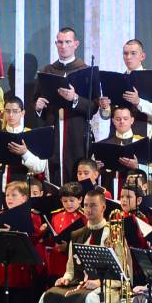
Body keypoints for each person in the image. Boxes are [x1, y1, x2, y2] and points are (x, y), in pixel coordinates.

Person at [32, 188, 132, 303]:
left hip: (107, 286)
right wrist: (64, 279)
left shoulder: (113, 234)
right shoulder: (77, 234)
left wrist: (100, 282)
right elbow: (70, 270)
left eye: (93, 205)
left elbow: (122, 272)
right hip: (80, 283)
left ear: (103, 207)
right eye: (86, 205)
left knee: (90, 300)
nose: (88, 209)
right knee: (48, 297)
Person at [92, 39, 152, 192]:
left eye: (133, 53)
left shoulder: (151, 79)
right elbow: (106, 116)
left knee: (143, 180)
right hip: (118, 135)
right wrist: (105, 107)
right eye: (125, 53)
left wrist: (139, 102)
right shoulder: (116, 80)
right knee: (117, 179)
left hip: (143, 133)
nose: (128, 57)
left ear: (142, 56)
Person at [33, 28, 96, 187]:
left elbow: (93, 106)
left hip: (76, 131)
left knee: (76, 173)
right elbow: (36, 102)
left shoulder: (86, 70)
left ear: (76, 44)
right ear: (56, 44)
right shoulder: (47, 70)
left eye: (68, 42)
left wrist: (75, 98)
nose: (63, 46)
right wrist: (38, 107)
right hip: (53, 129)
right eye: (60, 42)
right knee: (53, 173)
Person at [0, 96, 49, 209]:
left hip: (22, 193)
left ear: (23, 113)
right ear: (3, 112)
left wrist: (25, 153)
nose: (11, 115)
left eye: (15, 111)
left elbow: (40, 167)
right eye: (8, 111)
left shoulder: (32, 135)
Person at [45, 182, 85, 277]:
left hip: (75, 263)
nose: (68, 204)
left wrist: (67, 248)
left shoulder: (85, 217)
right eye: (65, 201)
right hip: (57, 262)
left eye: (71, 200)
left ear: (80, 199)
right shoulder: (56, 216)